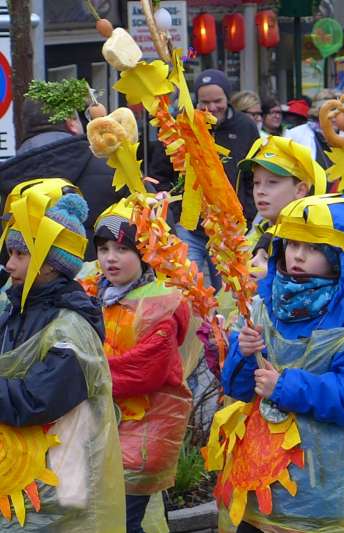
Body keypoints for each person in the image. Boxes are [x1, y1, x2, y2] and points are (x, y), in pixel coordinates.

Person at [215, 194, 344, 532]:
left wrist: (285, 386)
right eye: (292, 243)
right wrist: (243, 354)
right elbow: (237, 388)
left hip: (318, 490)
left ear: (340, 257)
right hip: (260, 479)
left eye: (314, 247)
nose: (298, 255)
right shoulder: (261, 305)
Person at [0, 185, 125, 531]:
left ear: (51, 267)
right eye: (9, 252)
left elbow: (37, 400)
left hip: (64, 487)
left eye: (21, 255)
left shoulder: (71, 330)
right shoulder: (15, 307)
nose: (9, 264)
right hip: (22, 476)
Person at [87, 199, 193, 533]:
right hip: (109, 432)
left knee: (122, 521)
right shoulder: (98, 293)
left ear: (145, 251)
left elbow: (144, 371)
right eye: (103, 249)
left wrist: (80, 374)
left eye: (121, 249)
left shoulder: (159, 304)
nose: (110, 258)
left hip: (144, 435)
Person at [150, 69, 260, 290]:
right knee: (188, 290)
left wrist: (246, 212)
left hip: (229, 230)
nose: (211, 108)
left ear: (228, 98)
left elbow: (253, 175)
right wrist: (175, 207)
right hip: (189, 229)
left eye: (217, 101)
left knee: (231, 292)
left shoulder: (245, 127)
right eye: (204, 102)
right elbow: (159, 175)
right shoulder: (182, 127)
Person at [0, 99, 128, 262]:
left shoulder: (8, 178)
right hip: (102, 280)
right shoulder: (114, 167)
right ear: (71, 123)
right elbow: (149, 223)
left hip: (28, 283)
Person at [238, 135, 327, 246]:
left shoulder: (308, 245)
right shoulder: (253, 239)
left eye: (272, 182)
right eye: (256, 183)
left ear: (300, 190)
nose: (260, 191)